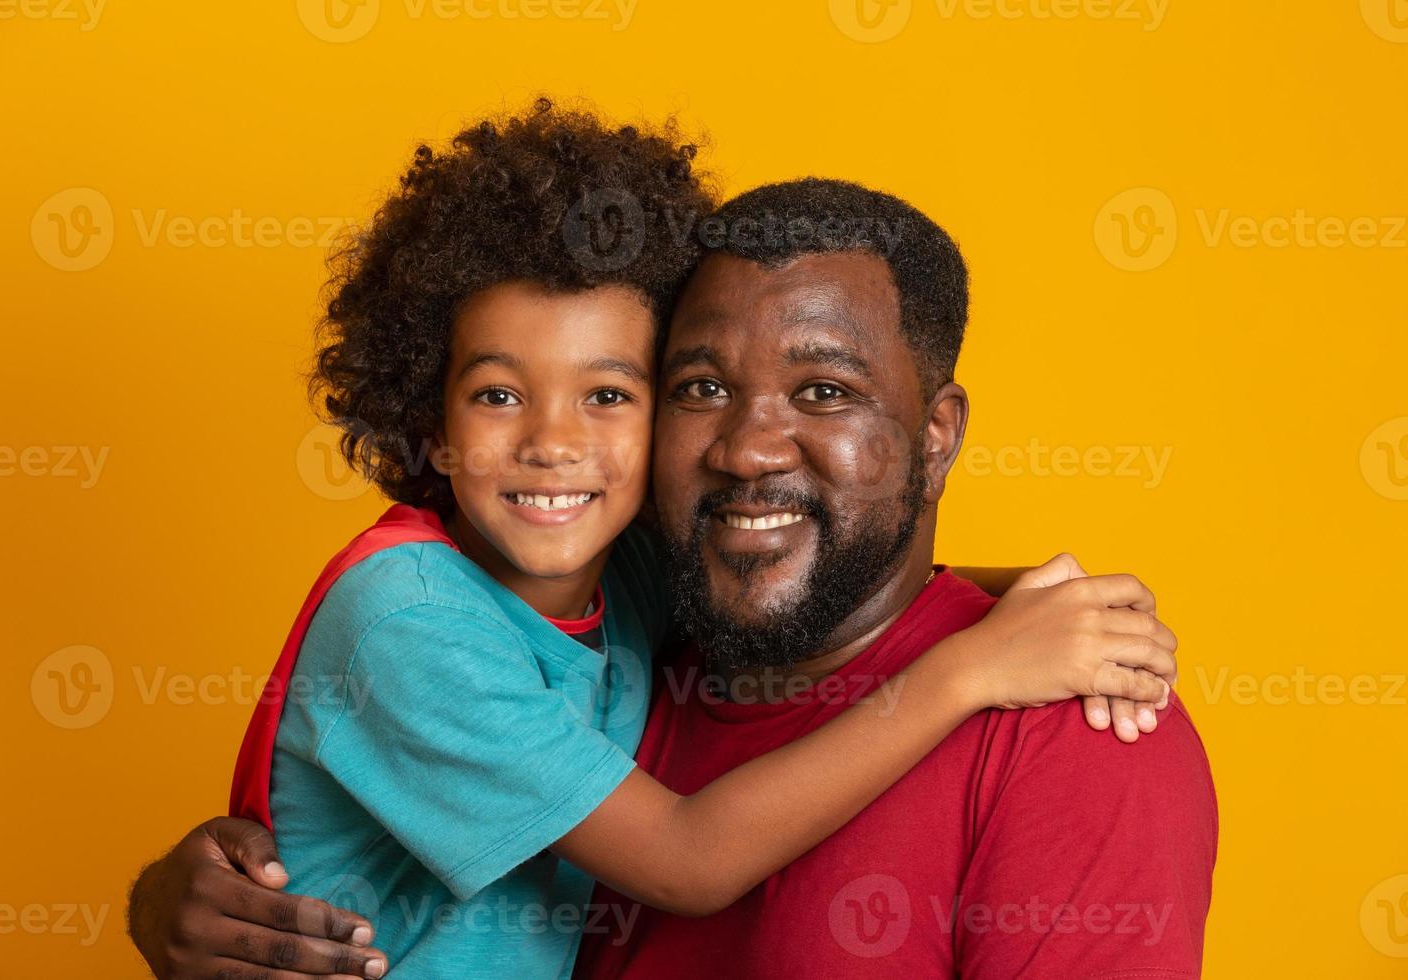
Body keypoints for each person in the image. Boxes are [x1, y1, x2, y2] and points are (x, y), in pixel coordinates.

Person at [125, 107, 1189, 979]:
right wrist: (166, 898)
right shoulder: (436, 618)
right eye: (704, 388)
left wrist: (1020, 610)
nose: (553, 442)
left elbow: (843, 565)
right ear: (432, 423)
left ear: (939, 430)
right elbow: (689, 857)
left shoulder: (1057, 735)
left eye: (608, 393)